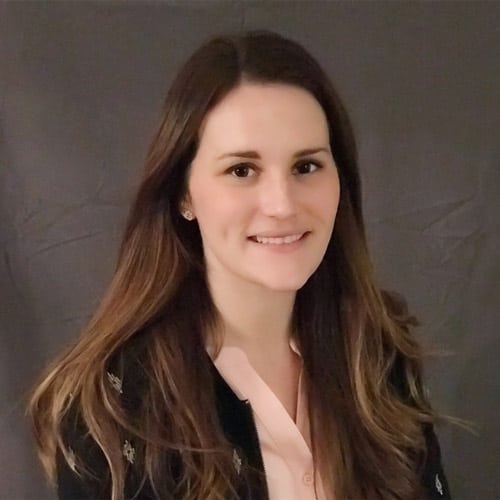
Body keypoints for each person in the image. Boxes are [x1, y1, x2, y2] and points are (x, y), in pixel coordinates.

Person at [28, 30, 451, 500]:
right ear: (184, 194)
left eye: (306, 166)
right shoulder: (111, 407)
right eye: (242, 170)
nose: (282, 205)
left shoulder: (379, 353)